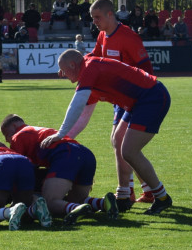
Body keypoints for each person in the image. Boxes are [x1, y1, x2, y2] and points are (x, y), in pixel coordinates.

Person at [47, 49, 173, 215]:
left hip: (151, 97)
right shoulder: (88, 73)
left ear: (72, 64)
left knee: (129, 151)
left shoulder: (89, 68)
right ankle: (124, 195)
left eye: (63, 69)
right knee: (118, 140)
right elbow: (83, 116)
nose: (61, 74)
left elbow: (76, 104)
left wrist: (61, 134)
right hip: (139, 101)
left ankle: (162, 197)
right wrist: (64, 139)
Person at [85, 0, 156, 210]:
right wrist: (78, 63)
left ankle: (125, 192)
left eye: (97, 17)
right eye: (92, 18)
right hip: (119, 98)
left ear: (110, 14)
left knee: (120, 141)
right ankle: (147, 190)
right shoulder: (102, 35)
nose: (94, 21)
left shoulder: (128, 37)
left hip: (135, 98)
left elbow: (147, 70)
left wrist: (138, 93)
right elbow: (95, 57)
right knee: (121, 144)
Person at [1, 113, 119, 225]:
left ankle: (77, 209)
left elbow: (20, 167)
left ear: (14, 126)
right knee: (76, 199)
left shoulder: (18, 136)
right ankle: (103, 203)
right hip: (86, 155)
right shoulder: (40, 131)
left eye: (6, 134)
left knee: (49, 202)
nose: (6, 139)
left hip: (66, 155)